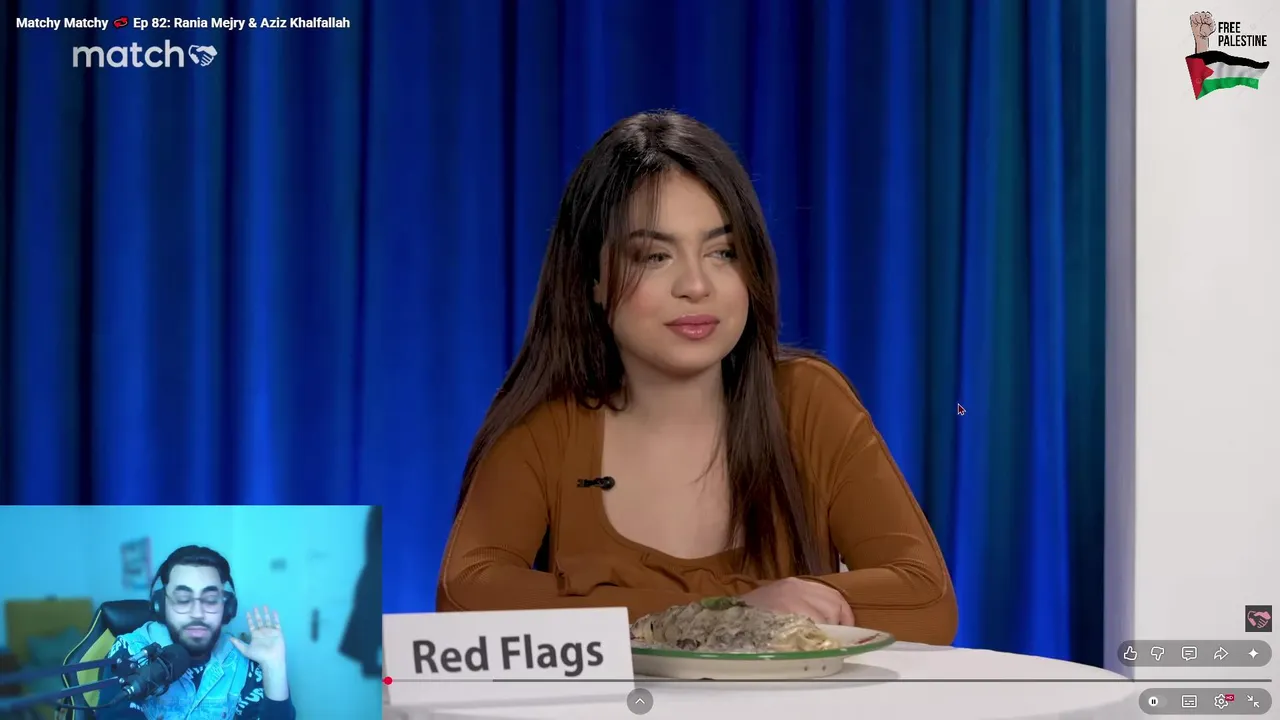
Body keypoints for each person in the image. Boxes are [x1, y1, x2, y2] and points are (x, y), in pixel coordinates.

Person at [437, 110, 958, 645]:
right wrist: (725, 614)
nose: (696, 285)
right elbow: (466, 597)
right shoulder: (548, 423)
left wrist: (675, 616)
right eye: (655, 256)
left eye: (722, 252)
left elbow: (925, 601)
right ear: (593, 276)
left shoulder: (807, 400)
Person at [96, 545, 296, 719]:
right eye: (183, 599)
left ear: (227, 608)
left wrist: (274, 667)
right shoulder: (131, 652)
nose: (198, 613)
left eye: (210, 600)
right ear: (161, 606)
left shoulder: (241, 664)